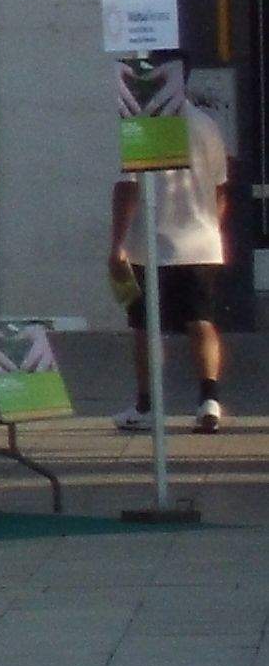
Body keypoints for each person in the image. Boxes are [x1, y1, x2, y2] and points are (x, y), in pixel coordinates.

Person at [112, 112, 232, 434]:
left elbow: (128, 188)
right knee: (201, 321)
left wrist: (117, 243)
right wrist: (212, 229)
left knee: (145, 326)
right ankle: (209, 400)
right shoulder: (207, 125)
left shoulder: (143, 124)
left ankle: (147, 405)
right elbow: (220, 187)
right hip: (201, 242)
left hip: (150, 244)